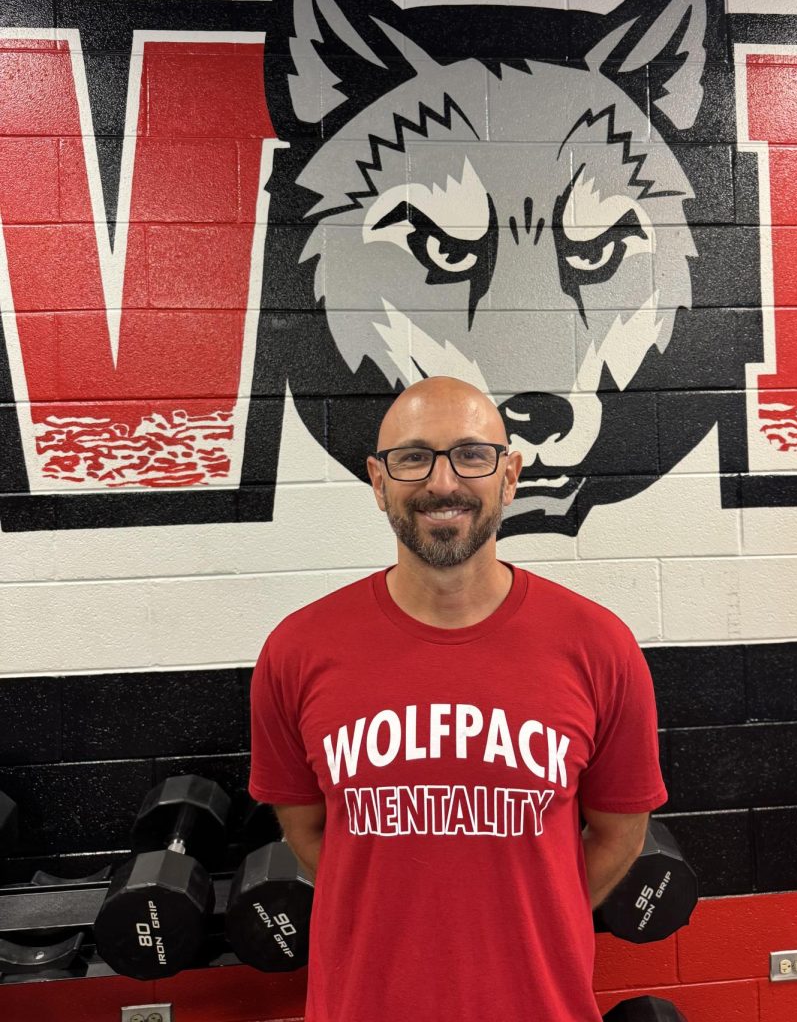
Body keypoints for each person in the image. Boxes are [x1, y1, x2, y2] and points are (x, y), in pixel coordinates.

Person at [249, 376, 667, 1021]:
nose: (442, 483)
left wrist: (526, 922)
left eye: (472, 455)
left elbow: (618, 836)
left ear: (509, 475)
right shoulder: (297, 651)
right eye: (413, 457)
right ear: (378, 479)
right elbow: (306, 831)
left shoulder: (598, 647)